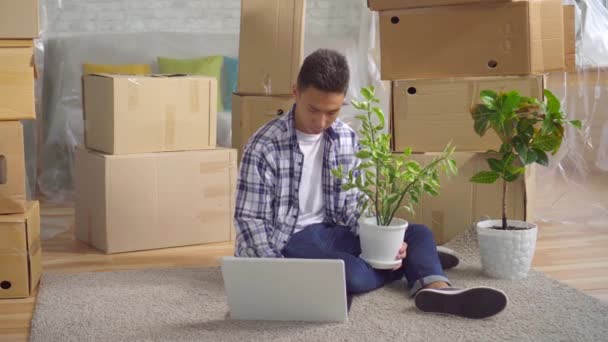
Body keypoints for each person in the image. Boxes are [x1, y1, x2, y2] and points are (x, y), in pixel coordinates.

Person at [234, 48, 508, 319]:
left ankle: (437, 288)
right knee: (348, 273)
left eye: (332, 112)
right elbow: (250, 220)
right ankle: (416, 265)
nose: (321, 122)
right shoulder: (264, 146)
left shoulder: (345, 137)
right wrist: (277, 272)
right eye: (313, 110)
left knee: (418, 234)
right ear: (295, 93)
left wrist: (381, 239)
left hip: (334, 229)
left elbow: (355, 207)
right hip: (290, 239)